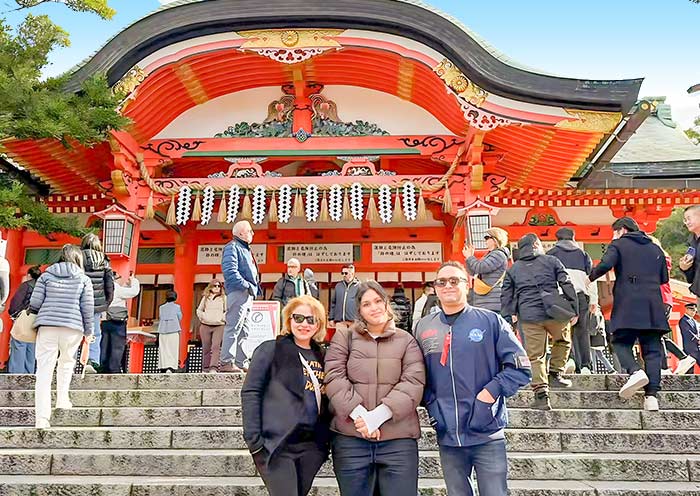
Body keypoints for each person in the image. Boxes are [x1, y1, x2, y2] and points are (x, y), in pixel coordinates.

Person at [415, 261, 531, 496]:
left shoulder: (490, 321)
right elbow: (416, 375)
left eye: (455, 280)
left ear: (467, 285)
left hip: (486, 431)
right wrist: (432, 405)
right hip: (448, 434)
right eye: (441, 281)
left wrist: (489, 395)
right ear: (435, 288)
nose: (448, 285)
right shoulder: (422, 327)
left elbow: (521, 367)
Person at [325, 280, 425, 496]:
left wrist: (377, 417)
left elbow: (413, 382)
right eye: (366, 304)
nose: (374, 307)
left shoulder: (406, 340)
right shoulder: (345, 336)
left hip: (397, 441)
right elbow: (334, 376)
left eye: (378, 301)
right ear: (359, 310)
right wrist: (361, 417)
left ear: (386, 303)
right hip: (351, 439)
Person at [241, 295, 330, 496]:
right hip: (278, 442)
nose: (304, 324)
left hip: (312, 445)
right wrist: (253, 440)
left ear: (319, 325)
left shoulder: (322, 355)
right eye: (298, 318)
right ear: (289, 320)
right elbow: (251, 392)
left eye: (311, 319)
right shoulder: (271, 349)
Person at [588, 217, 669, 411]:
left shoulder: (618, 244)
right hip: (652, 303)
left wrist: (589, 278)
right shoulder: (655, 248)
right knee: (652, 349)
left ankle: (635, 371)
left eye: (614, 232)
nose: (613, 236)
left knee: (620, 342)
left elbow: (605, 265)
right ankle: (651, 397)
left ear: (622, 230)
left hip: (629, 302)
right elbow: (663, 278)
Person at [501, 233, 578, 410]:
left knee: (535, 356)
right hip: (555, 312)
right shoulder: (552, 261)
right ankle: (556, 374)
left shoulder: (514, 269)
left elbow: (506, 295)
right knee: (563, 340)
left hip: (528, 316)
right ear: (537, 244)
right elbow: (567, 284)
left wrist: (509, 317)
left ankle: (541, 395)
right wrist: (573, 308)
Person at [29, 244, 94, 429]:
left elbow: (34, 303)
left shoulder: (46, 276)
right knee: (66, 363)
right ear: (78, 259)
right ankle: (62, 400)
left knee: (43, 370)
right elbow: (87, 308)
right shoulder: (83, 279)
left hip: (48, 326)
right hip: (72, 327)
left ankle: (41, 418)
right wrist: (89, 332)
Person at [546, 227, 598, 374]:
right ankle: (586, 366)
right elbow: (591, 278)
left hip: (561, 296)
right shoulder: (583, 255)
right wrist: (594, 300)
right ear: (573, 238)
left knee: (563, 330)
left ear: (557, 240)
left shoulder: (551, 255)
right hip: (581, 296)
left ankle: (570, 360)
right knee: (582, 331)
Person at [650, 236, 697, 375]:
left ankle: (666, 367)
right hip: (664, 299)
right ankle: (681, 359)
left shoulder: (656, 258)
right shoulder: (663, 258)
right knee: (657, 334)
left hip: (658, 299)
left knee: (656, 335)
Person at [220, 220, 259, 373]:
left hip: (246, 294)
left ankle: (241, 361)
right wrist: (247, 285)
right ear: (241, 233)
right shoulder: (233, 247)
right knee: (234, 326)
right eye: (250, 230)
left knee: (244, 330)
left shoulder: (244, 249)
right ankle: (226, 361)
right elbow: (230, 272)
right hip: (238, 292)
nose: (252, 233)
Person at [80, 233, 115, 373]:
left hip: (78, 301)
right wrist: (106, 302)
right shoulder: (104, 261)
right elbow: (109, 285)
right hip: (96, 303)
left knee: (74, 331)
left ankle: (68, 360)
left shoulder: (78, 257)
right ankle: (92, 361)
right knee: (95, 333)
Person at [100, 273, 140, 374]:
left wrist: (126, 285)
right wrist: (133, 281)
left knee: (104, 345)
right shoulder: (116, 288)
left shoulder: (103, 289)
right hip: (117, 321)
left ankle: (103, 367)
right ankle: (114, 368)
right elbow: (134, 292)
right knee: (117, 346)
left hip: (105, 320)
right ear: (115, 279)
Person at [463, 227, 510, 313]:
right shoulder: (491, 255)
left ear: (495, 239)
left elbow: (480, 267)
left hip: (491, 300)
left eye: (487, 237)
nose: (485, 240)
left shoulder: (498, 254)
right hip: (486, 300)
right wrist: (468, 258)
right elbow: (473, 272)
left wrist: (470, 257)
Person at [7, 266, 41, 374]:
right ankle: (29, 376)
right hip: (37, 320)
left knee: (19, 345)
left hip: (25, 318)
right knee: (31, 349)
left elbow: (16, 303)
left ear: (29, 275)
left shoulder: (26, 285)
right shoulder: (42, 287)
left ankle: (16, 375)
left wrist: (13, 314)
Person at [196, 279, 227, 373]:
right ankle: (205, 368)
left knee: (216, 347)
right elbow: (199, 310)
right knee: (206, 347)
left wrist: (222, 318)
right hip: (205, 325)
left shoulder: (224, 298)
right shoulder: (205, 298)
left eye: (219, 286)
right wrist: (203, 317)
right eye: (215, 285)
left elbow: (227, 310)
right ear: (210, 287)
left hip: (219, 325)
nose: (217, 287)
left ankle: (213, 367)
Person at [329, 264, 360, 334]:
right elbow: (333, 303)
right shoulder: (338, 286)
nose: (344, 275)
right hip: (340, 321)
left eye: (346, 273)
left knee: (354, 342)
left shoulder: (359, 286)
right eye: (342, 273)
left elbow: (362, 304)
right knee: (340, 341)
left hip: (354, 322)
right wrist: (331, 318)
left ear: (352, 273)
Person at [157, 290, 182, 373]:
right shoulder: (177, 307)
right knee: (173, 349)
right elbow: (179, 317)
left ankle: (163, 366)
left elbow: (160, 317)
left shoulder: (161, 307)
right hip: (173, 329)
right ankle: (171, 367)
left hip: (163, 329)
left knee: (163, 349)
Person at [680, 205, 700, 300]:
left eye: (689, 218)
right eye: (685, 220)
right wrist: (685, 268)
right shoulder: (692, 241)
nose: (687, 222)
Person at [679, 303, 700, 374]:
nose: (693, 312)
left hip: (697, 347)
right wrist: (698, 340)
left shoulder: (694, 321)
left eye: (694, 310)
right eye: (691, 310)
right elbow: (688, 333)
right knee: (689, 368)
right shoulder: (683, 320)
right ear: (686, 309)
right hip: (689, 348)